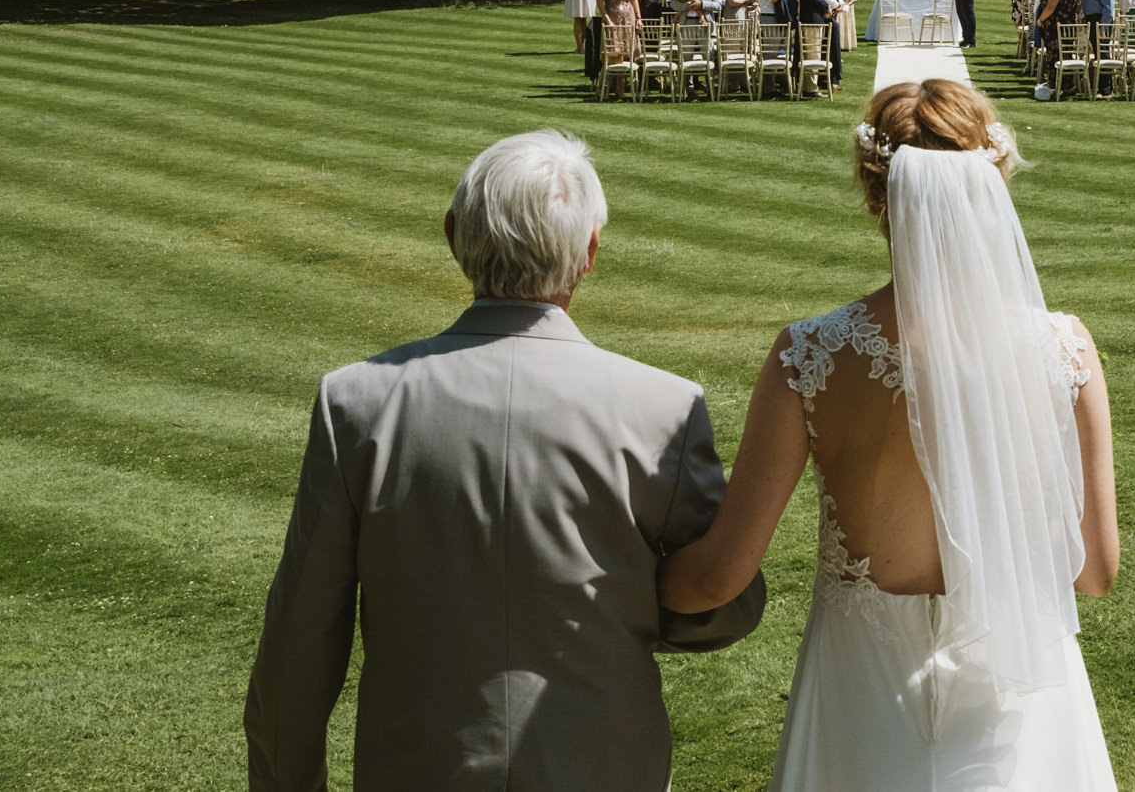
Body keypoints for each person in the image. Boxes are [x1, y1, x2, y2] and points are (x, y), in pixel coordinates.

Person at [245, 131, 765, 792]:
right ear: (590, 253)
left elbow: (298, 645)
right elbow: (727, 603)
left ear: (454, 233)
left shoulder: (357, 403)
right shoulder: (662, 407)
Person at [658, 83, 1119, 790]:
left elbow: (720, 575)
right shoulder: (1066, 349)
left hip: (860, 704)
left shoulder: (809, 355)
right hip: (1023, 709)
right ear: (992, 183)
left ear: (878, 196)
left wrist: (598, 584)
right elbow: (1094, 572)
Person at [795, 0, 843, 95]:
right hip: (810, 18)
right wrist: (826, 7)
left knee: (815, 51)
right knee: (812, 53)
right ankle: (810, 87)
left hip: (818, 17)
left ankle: (810, 85)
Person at [1079, 0, 1116, 96]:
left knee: (1103, 54)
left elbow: (1108, 6)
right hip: (1092, 19)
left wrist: (1103, 27)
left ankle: (1106, 89)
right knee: (1099, 53)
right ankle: (1102, 87)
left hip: (1101, 20)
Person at [1033, 0, 1074, 92]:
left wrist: (1040, 19)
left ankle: (1057, 84)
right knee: (1060, 54)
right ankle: (1061, 84)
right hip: (1060, 26)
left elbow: (1051, 7)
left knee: (1056, 55)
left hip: (1057, 27)